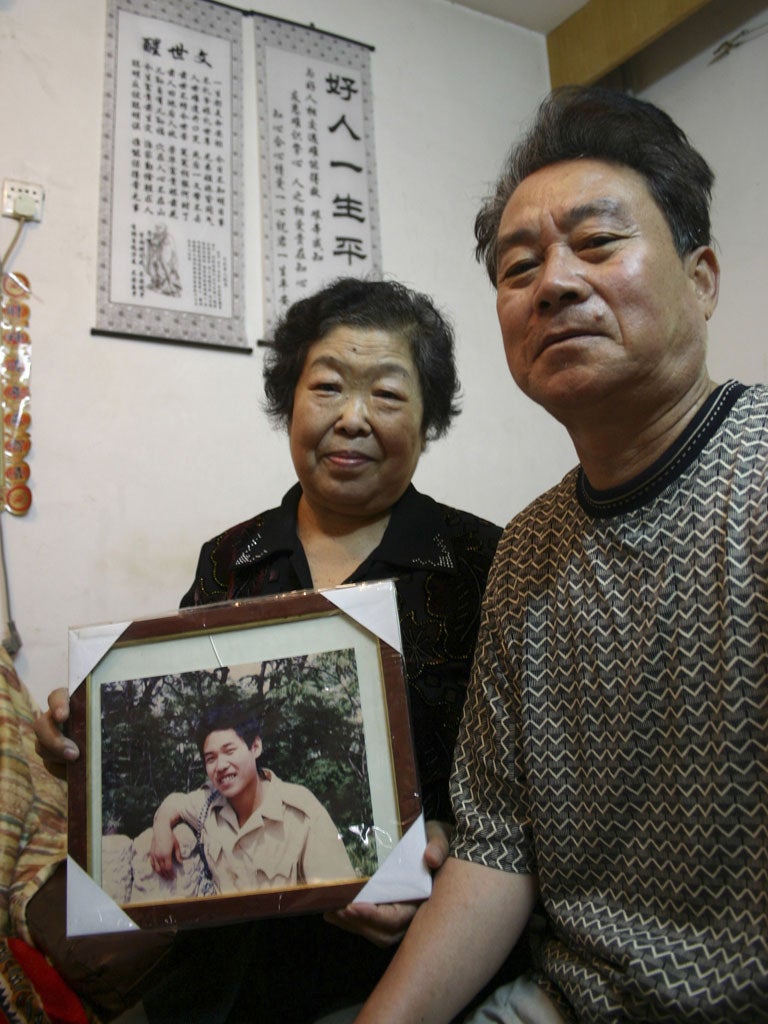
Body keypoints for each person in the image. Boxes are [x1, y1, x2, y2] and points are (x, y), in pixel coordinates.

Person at [355, 86, 768, 1023]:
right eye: (518, 265)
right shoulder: (529, 550)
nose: (554, 283)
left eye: (597, 242)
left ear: (702, 278)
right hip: (556, 998)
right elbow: (497, 848)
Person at [32, 277, 509, 1022]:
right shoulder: (229, 558)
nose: (352, 418)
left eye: (387, 395)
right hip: (221, 965)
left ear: (429, 418)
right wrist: (83, 730)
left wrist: (441, 850)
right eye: (326, 387)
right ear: (290, 402)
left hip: (405, 960)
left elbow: (523, 791)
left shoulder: (485, 560)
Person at [150, 705, 355, 894]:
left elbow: (337, 896)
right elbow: (175, 802)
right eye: (210, 758)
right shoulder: (208, 804)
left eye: (229, 751)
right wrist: (161, 828)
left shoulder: (300, 812)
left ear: (255, 747)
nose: (220, 766)